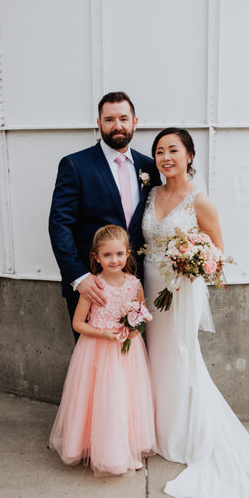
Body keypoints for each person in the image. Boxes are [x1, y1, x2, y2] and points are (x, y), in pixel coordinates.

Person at [142, 128, 249, 498]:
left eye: (173, 150)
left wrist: (191, 260)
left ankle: (184, 434)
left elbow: (217, 254)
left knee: (181, 356)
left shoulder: (201, 201)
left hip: (180, 289)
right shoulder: (150, 194)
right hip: (149, 283)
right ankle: (158, 426)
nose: (166, 157)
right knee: (156, 356)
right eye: (160, 151)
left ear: (189, 155)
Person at [49, 91, 161, 341]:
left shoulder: (149, 167)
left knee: (131, 361)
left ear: (135, 122)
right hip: (91, 285)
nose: (117, 125)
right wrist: (79, 277)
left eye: (123, 118)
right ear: (99, 124)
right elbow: (59, 225)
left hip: (134, 286)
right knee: (94, 363)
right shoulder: (75, 165)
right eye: (110, 119)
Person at [49, 225, 154, 475]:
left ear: (128, 254)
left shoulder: (134, 284)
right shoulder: (93, 287)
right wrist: (105, 333)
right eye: (107, 255)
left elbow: (138, 315)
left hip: (127, 352)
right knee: (98, 399)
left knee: (125, 399)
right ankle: (88, 445)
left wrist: (134, 330)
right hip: (97, 349)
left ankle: (125, 448)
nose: (114, 260)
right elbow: (78, 323)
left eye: (119, 254)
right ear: (96, 257)